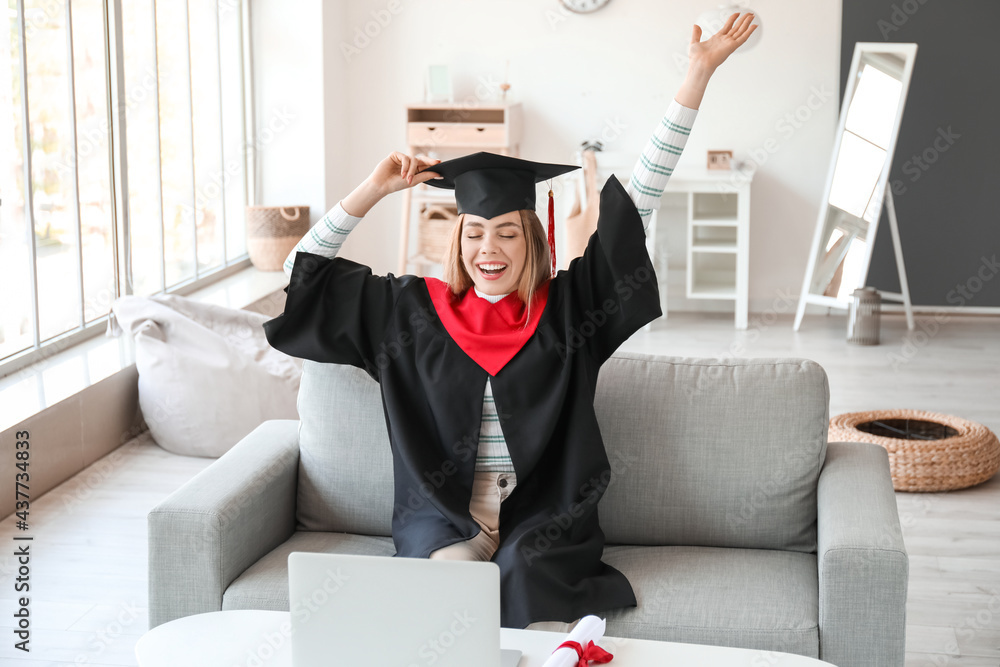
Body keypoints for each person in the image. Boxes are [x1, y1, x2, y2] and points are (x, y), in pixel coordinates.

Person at [262, 13, 757, 631]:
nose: (488, 249)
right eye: (475, 232)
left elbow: (639, 201)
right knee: (444, 590)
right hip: (443, 517)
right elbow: (298, 275)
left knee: (517, 581)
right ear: (458, 240)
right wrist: (370, 189)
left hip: (542, 518)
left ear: (532, 241)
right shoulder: (410, 314)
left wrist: (696, 76)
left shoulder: (573, 311)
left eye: (506, 233)